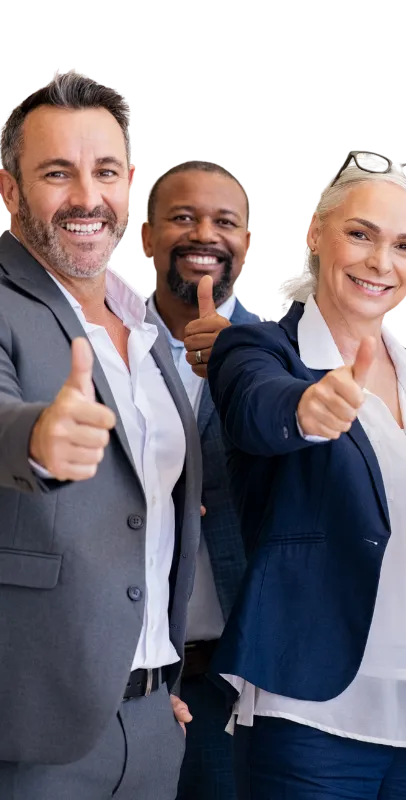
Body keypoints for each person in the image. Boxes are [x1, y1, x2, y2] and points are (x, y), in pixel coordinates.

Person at [206, 152, 406, 799]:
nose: (380, 262)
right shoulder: (262, 349)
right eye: (361, 234)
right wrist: (306, 408)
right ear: (315, 232)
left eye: (405, 245)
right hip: (312, 717)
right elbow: (256, 407)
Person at [0, 71, 202, 798]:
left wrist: (157, 686)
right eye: (58, 173)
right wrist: (36, 437)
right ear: (9, 190)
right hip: (25, 736)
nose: (87, 197)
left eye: (106, 172)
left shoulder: (143, 324)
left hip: (149, 720)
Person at [140, 160, 258, 800]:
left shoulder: (289, 352)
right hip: (123, 676)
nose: (204, 234)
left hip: (241, 678)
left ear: (248, 241)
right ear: (145, 236)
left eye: (224, 221)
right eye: (182, 217)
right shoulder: (105, 345)